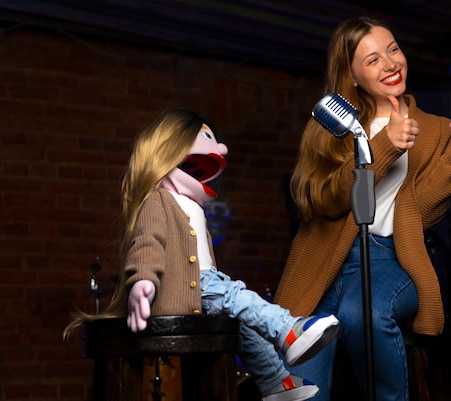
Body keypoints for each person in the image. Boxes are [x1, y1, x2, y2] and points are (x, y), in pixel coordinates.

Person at [63, 109, 339, 401]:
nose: (220, 148)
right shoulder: (158, 200)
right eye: (206, 140)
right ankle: (288, 331)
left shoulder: (191, 205)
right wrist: (143, 281)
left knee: (245, 328)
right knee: (237, 296)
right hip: (193, 287)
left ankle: (277, 383)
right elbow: (147, 243)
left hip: (205, 285)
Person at [273, 16, 451, 401]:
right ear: (350, 75)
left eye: (393, 49)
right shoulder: (332, 124)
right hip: (322, 262)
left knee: (362, 314)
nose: (389, 64)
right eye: (372, 60)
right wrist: (383, 147)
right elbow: (319, 200)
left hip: (390, 259)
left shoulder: (435, 129)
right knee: (298, 387)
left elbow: (423, 212)